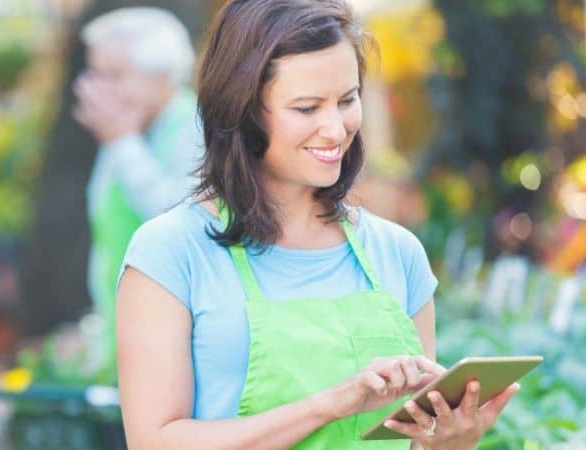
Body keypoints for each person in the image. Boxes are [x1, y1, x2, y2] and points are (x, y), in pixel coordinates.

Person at [116, 1, 519, 449]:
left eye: (347, 100)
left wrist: (450, 442)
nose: (335, 129)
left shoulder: (397, 253)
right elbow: (154, 443)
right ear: (243, 110)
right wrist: (330, 405)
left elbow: (415, 439)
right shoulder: (170, 253)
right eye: (307, 108)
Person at [73, 7, 203, 376]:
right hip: (129, 342)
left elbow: (179, 219)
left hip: (176, 349)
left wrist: (123, 143)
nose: (95, 90)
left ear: (161, 75)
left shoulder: (195, 128)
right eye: (94, 74)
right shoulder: (123, 134)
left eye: (113, 76)